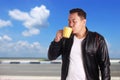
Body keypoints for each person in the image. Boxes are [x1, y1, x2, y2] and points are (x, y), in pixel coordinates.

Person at [48, 8, 111, 80]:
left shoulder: (97, 39)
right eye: (69, 21)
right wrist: (57, 40)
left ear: (83, 22)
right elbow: (51, 56)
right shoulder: (65, 39)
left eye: (74, 21)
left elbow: (105, 65)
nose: (70, 24)